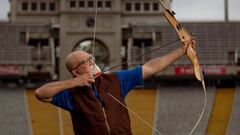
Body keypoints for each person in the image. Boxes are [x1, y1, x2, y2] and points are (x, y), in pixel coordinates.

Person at [35, 38, 196, 135]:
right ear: (76, 71)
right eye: (87, 61)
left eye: (92, 58)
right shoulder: (71, 94)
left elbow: (150, 67)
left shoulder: (115, 80)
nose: (93, 62)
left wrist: (182, 50)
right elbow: (40, 93)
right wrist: (74, 82)